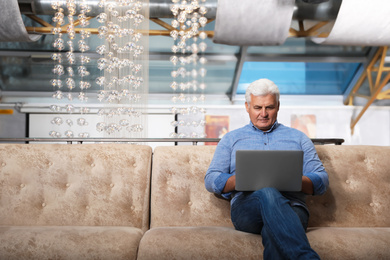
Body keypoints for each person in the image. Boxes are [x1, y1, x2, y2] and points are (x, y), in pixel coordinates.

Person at [204, 78, 329, 259]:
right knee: (267, 191)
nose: (263, 113)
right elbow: (211, 179)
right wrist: (242, 178)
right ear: (247, 107)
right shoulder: (231, 139)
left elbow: (322, 180)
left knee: (273, 233)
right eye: (257, 108)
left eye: (269, 107)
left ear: (278, 106)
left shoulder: (299, 138)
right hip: (247, 210)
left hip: (292, 209)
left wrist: (293, 178)